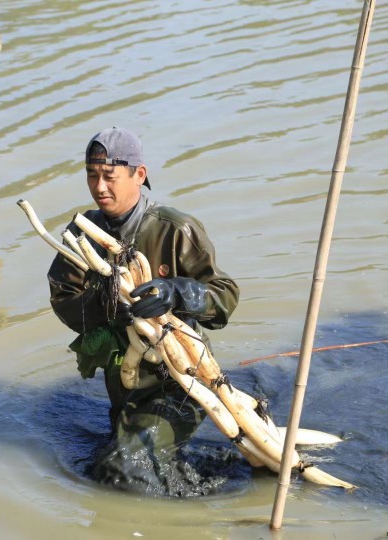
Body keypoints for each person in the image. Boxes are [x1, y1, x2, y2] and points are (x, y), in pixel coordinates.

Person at [47, 127, 240, 491]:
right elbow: (64, 303)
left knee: (123, 471)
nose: (100, 187)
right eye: (92, 175)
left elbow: (225, 295)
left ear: (139, 175)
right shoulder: (82, 235)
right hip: (123, 386)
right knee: (116, 464)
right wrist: (110, 304)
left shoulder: (175, 229)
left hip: (181, 381)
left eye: (109, 176)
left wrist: (178, 292)